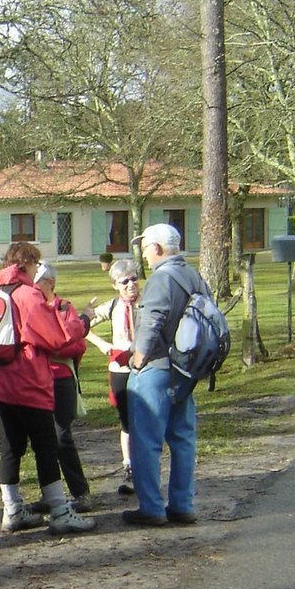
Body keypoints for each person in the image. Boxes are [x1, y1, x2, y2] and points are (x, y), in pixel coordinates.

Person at [0, 244, 95, 535]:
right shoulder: (28, 295)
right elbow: (56, 337)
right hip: (29, 383)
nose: (38, 268)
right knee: (46, 447)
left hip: (0, 385)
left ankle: (12, 509)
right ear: (26, 263)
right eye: (36, 263)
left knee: (11, 448)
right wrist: (83, 322)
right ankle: (60, 511)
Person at [123, 222, 211, 527]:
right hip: (185, 369)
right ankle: (182, 504)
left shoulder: (161, 278)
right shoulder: (193, 275)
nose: (145, 255)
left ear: (157, 248)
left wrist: (137, 360)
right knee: (182, 439)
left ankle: (151, 508)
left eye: (145, 248)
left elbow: (152, 321)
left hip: (157, 367)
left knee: (146, 441)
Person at [32, 262, 92, 512]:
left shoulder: (65, 307)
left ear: (51, 283)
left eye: (38, 282)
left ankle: (81, 492)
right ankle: (50, 494)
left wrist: (48, 346)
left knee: (61, 436)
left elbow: (77, 344)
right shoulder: (31, 307)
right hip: (36, 379)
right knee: (41, 439)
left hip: (60, 379)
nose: (33, 288)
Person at [85, 259, 141, 496]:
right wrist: (101, 344)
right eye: (124, 281)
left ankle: (146, 468)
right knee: (126, 420)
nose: (130, 285)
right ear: (115, 285)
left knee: (146, 419)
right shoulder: (112, 307)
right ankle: (129, 468)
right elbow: (82, 326)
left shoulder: (148, 303)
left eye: (134, 279)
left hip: (144, 368)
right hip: (120, 369)